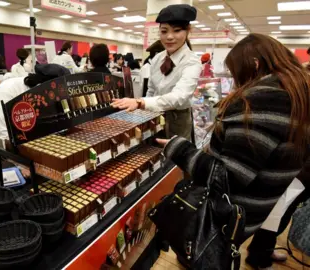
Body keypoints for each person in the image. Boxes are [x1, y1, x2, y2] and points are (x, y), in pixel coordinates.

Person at [157, 33, 310, 268]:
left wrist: (177, 148)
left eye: (236, 72)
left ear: (255, 64)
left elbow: (226, 178)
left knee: (207, 253)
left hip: (229, 211)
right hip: (256, 207)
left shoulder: (261, 101)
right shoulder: (298, 95)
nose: (236, 80)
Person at [111, 4, 202, 140]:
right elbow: (151, 90)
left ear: (188, 30)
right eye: (164, 31)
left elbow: (179, 96)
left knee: (175, 157)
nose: (169, 37)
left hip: (178, 121)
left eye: (176, 31)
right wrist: (143, 112)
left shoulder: (192, 61)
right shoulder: (158, 58)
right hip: (154, 115)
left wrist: (140, 102)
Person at [0, 64, 70, 141]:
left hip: (32, 135)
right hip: (2, 138)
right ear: (43, 84)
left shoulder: (48, 95)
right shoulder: (8, 89)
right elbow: (4, 133)